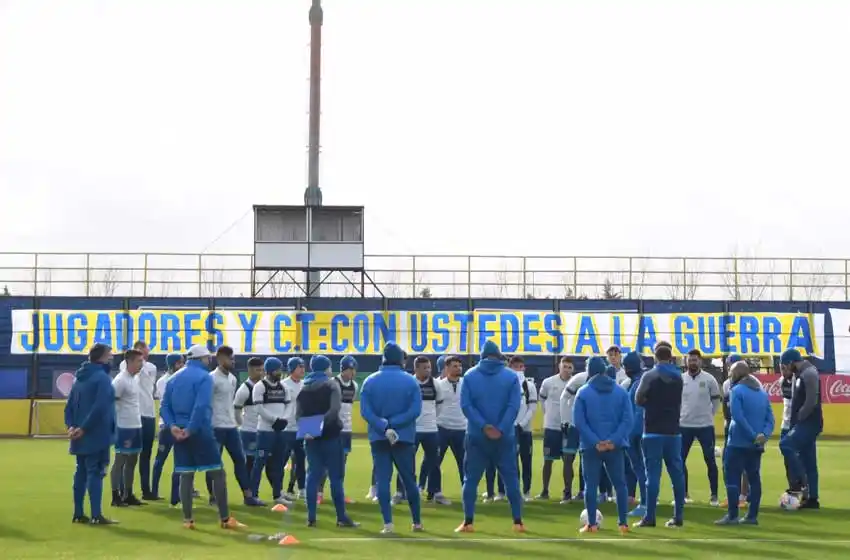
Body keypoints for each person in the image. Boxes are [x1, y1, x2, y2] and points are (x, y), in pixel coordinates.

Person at [160, 344, 245, 530]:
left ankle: (187, 520)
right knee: (218, 473)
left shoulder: (173, 378)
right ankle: (224, 518)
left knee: (186, 474)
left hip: (178, 430)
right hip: (200, 431)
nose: (209, 361)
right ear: (201, 359)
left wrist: (174, 427)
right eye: (207, 358)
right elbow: (201, 407)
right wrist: (190, 429)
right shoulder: (204, 377)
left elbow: (164, 407)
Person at [456, 341, 525, 534]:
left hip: (477, 435)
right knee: (511, 479)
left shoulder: (470, 376)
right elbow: (513, 406)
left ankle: (468, 522)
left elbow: (466, 406)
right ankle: (518, 522)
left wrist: (484, 426)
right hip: (505, 437)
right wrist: (501, 428)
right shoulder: (511, 377)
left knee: (470, 479)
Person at [360, 342, 424, 534]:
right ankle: (417, 522)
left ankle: (388, 524)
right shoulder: (410, 381)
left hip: (379, 437)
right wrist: (395, 424)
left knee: (382, 480)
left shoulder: (370, 381)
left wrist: (384, 426)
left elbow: (366, 411)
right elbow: (415, 410)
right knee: (409, 480)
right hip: (404, 436)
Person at [297, 355, 359, 528]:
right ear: (326, 368)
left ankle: (311, 517)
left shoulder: (304, 386)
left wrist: (309, 429)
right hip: (331, 436)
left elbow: (298, 413)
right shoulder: (332, 385)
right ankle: (341, 517)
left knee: (313, 476)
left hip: (310, 437)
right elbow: (334, 411)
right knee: (336, 477)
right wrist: (321, 425)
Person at [573, 356, 633, 534]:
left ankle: (591, 524)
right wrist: (613, 441)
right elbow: (627, 420)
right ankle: (623, 523)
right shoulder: (621, 392)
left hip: (591, 447)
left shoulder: (583, 392)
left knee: (590, 485)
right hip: (615, 447)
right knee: (620, 484)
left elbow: (579, 422)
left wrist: (596, 442)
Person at [633, 343, 686, 529]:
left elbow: (638, 399)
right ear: (670, 357)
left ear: (655, 357)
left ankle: (650, 517)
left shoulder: (649, 375)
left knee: (652, 475)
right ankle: (678, 516)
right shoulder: (678, 377)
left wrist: (650, 403)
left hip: (653, 431)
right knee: (677, 474)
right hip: (673, 431)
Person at [65, 343, 118, 525]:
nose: (112, 358)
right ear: (103, 357)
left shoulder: (78, 378)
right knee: (96, 472)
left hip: (79, 434)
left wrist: (72, 426)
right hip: (97, 433)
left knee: (81, 471)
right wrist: (85, 428)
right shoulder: (102, 379)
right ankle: (96, 514)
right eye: (110, 355)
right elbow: (100, 407)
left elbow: (69, 405)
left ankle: (78, 513)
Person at [715, 360, 774, 525]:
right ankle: (752, 516)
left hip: (738, 442)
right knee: (754, 478)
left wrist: (752, 434)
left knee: (732, 477)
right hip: (756, 445)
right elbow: (770, 418)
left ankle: (732, 515)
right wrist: (763, 435)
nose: (728, 375)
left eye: (730, 372)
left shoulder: (736, 390)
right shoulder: (762, 393)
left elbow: (737, 416)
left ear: (736, 374)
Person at [206, 346, 262, 506]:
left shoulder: (232, 378)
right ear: (221, 359)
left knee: (240, 460)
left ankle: (248, 496)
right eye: (230, 359)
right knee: (214, 462)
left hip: (230, 427)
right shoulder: (211, 379)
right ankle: (213, 496)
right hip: (215, 426)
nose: (233, 361)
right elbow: (207, 404)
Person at [393, 356, 444, 505]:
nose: (428, 370)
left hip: (431, 429)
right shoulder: (409, 383)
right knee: (406, 462)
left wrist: (431, 419)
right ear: (416, 369)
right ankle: (400, 492)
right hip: (412, 429)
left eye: (429, 367)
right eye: (425, 368)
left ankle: (434, 493)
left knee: (434, 462)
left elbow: (439, 406)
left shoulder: (436, 384)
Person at [485, 356, 537, 502]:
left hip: (524, 429)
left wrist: (521, 424)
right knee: (506, 461)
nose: (518, 370)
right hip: (507, 428)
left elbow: (532, 408)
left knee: (526, 460)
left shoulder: (529, 385)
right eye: (515, 367)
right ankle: (502, 492)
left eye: (521, 367)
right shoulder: (504, 384)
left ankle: (525, 492)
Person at [778, 348, 822, 509]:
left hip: (808, 423)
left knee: (785, 444)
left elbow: (811, 401)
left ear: (791, 362)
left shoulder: (809, 373)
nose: (784, 369)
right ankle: (812, 499)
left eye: (785, 366)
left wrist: (799, 420)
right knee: (809, 460)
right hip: (807, 423)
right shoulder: (802, 373)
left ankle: (800, 480)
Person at [679, 349, 721, 505]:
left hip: (705, 426)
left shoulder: (709, 379)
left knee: (710, 460)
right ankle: (683, 494)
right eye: (690, 360)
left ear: (700, 362)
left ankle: (714, 495)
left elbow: (716, 400)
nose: (692, 362)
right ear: (686, 362)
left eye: (695, 360)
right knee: (680, 460)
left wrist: (709, 414)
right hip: (684, 425)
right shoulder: (680, 379)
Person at [119, 341, 159, 501]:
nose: (145, 352)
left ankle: (146, 489)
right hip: (135, 415)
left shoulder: (151, 368)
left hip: (149, 413)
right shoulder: (125, 366)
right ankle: (125, 491)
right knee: (129, 455)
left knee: (146, 454)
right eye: (141, 350)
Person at [250, 357, 293, 506]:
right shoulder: (260, 387)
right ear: (269, 371)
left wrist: (284, 420)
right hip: (265, 431)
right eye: (276, 370)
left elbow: (289, 406)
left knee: (279, 463)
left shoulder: (284, 388)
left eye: (280, 370)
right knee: (259, 463)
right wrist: (274, 420)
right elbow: (259, 408)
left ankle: (278, 494)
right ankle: (253, 495)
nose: (279, 373)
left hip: (280, 432)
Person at [316, 355, 358, 505]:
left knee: (342, 463)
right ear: (343, 370)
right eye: (350, 369)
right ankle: (318, 492)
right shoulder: (332, 383)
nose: (352, 373)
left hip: (346, 429)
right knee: (326, 463)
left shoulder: (354, 386)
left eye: (354, 370)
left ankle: (339, 493)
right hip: (332, 429)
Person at [111, 348, 146, 507]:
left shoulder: (134, 379)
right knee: (120, 460)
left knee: (132, 460)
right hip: (124, 426)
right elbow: (112, 403)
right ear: (129, 362)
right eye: (139, 361)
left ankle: (128, 493)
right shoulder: (120, 380)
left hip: (136, 424)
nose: (142, 364)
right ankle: (115, 495)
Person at [430, 355, 466, 505]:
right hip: (442, 427)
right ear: (446, 368)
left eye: (459, 366)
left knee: (464, 463)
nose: (458, 368)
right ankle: (435, 492)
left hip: (462, 428)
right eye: (454, 366)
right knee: (435, 462)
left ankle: (467, 492)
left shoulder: (466, 383)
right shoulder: (438, 384)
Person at [537, 357, 573, 503]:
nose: (567, 370)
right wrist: (549, 415)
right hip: (551, 427)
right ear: (559, 367)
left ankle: (567, 493)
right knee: (548, 460)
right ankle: (545, 490)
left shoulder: (575, 383)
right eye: (565, 366)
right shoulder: (548, 382)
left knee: (568, 461)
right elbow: (542, 399)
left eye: (570, 367)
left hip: (568, 427)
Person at [151, 352, 185, 505]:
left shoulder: (164, 381)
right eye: (180, 363)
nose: (182, 366)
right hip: (169, 426)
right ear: (173, 364)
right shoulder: (166, 381)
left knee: (177, 461)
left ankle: (173, 495)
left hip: (169, 425)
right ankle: (157, 491)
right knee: (163, 460)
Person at [720, 354, 751, 508]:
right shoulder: (726, 384)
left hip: (743, 427)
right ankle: (733, 495)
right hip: (730, 427)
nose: (728, 367)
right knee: (727, 462)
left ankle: (744, 495)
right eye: (727, 364)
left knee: (745, 464)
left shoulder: (750, 384)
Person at [621, 351, 648, 517]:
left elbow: (638, 412)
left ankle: (646, 503)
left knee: (641, 468)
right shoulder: (639, 381)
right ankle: (647, 502)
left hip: (637, 434)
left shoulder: (637, 384)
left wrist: (632, 434)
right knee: (642, 469)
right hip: (643, 431)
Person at [233, 357, 265, 486]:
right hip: (249, 431)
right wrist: (243, 425)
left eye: (262, 370)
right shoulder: (244, 389)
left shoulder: (263, 387)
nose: (261, 373)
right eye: (258, 370)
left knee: (261, 461)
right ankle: (248, 489)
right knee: (250, 461)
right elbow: (236, 411)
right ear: (250, 371)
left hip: (262, 430)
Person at [283, 357, 307, 501]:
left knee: (300, 460)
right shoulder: (283, 385)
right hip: (286, 429)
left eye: (303, 366)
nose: (302, 369)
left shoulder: (305, 385)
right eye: (299, 367)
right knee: (282, 460)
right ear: (292, 369)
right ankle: (279, 489)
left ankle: (302, 488)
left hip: (301, 428)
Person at [779, 361, 800, 491]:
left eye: (785, 368)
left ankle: (801, 484)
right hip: (785, 425)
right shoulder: (781, 381)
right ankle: (792, 485)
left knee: (797, 456)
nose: (783, 371)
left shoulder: (798, 381)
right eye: (781, 368)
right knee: (787, 458)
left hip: (796, 424)